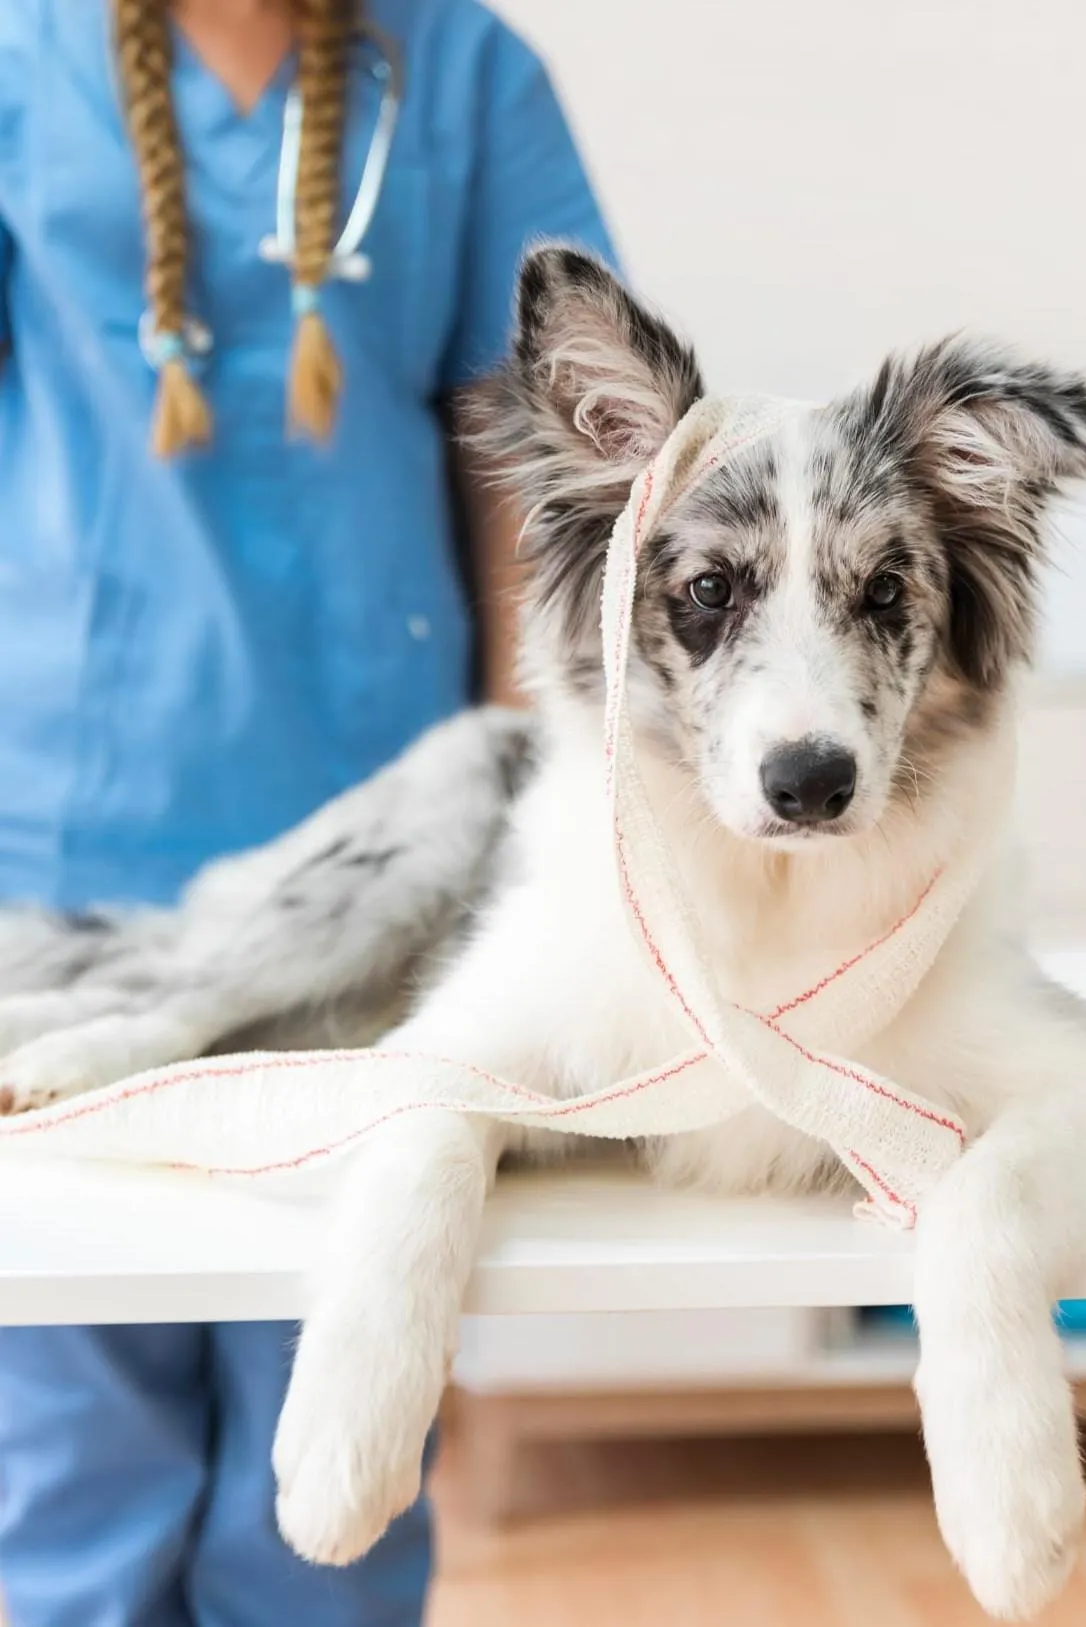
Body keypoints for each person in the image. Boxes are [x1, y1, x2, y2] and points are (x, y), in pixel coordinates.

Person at [0, 2, 612, 1623]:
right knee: (60, 1463)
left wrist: (546, 833)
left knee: (333, 1470)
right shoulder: (18, 60)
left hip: (380, 899)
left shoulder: (464, 75)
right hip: (60, 857)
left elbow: (541, 484)